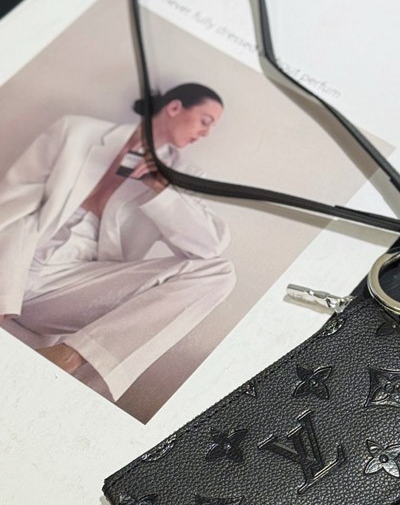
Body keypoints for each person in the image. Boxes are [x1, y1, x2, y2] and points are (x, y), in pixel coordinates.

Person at [0, 83, 236, 401]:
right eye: (205, 121)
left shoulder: (183, 175)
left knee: (220, 272)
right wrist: (5, 291)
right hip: (22, 257)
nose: (206, 134)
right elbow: (12, 209)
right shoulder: (76, 131)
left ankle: (71, 357)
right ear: (175, 107)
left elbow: (209, 248)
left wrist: (161, 188)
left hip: (71, 285)